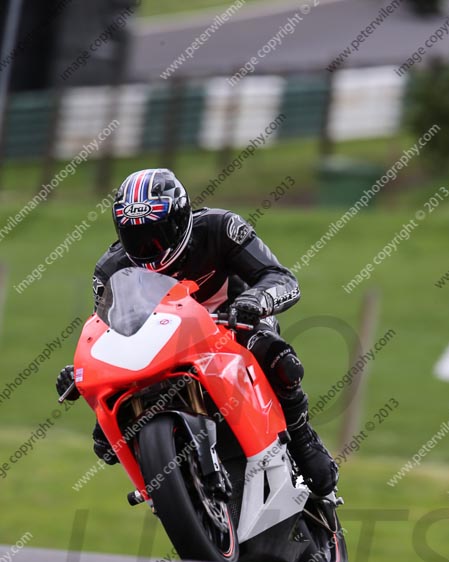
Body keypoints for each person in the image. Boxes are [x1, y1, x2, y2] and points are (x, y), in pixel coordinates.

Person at [56, 168, 338, 496]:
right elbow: (110, 330)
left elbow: (281, 278)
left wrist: (254, 300)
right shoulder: (110, 269)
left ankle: (302, 438)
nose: (149, 247)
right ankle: (171, 485)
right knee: (105, 442)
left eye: (158, 233)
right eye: (137, 237)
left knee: (279, 360)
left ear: (181, 218)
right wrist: (85, 373)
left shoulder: (220, 228)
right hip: (161, 345)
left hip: (233, 326)